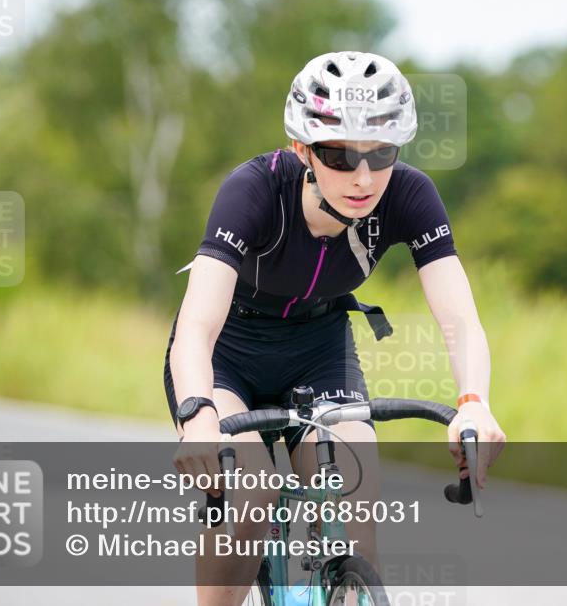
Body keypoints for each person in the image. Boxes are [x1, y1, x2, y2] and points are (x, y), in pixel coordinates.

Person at [164, 51, 505, 606]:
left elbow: (459, 318)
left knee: (357, 506)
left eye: (382, 154)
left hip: (319, 349)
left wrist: (473, 402)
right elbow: (197, 326)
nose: (363, 177)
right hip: (228, 353)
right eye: (338, 156)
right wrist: (197, 415)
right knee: (251, 497)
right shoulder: (253, 190)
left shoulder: (410, 196)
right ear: (303, 149)